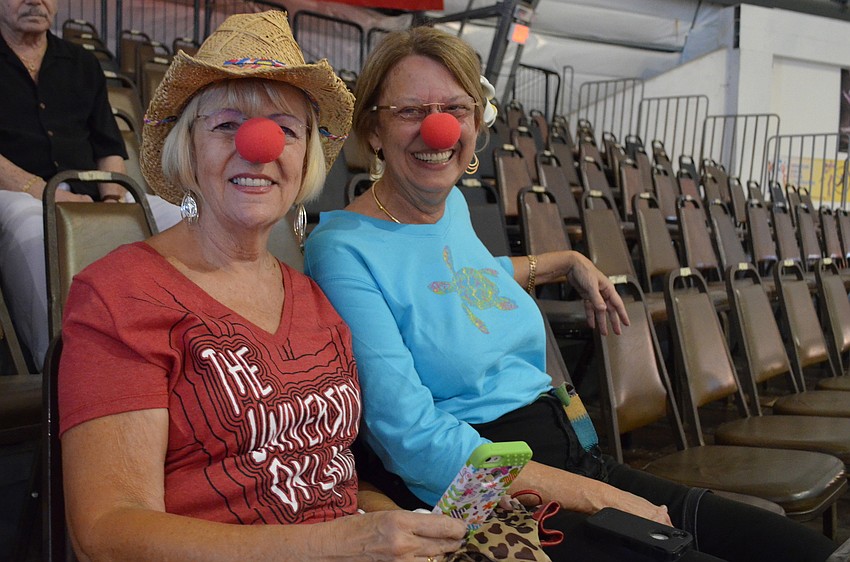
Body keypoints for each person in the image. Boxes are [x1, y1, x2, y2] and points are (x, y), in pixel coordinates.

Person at [303, 26, 841, 562]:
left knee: (800, 550)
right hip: (491, 499)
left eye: (454, 108)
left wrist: (564, 260)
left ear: (474, 121)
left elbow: (463, 278)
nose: (438, 128)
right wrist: (607, 499)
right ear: (372, 129)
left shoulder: (453, 208)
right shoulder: (341, 248)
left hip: (573, 460)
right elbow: (413, 442)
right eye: (410, 111)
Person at [58, 11, 466, 561]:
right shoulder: (119, 294)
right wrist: (335, 544)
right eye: (228, 125)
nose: (259, 145)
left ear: (303, 159)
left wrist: (392, 521)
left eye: (285, 129)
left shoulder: (315, 302)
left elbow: (329, 480)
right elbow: (106, 533)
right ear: (188, 148)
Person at [0, 0, 180, 370]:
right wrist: (51, 195)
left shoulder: (81, 62)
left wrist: (113, 200)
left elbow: (109, 145)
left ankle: (185, 345)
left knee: (183, 215)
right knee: (35, 227)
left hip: (92, 189)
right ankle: (55, 369)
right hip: (15, 191)